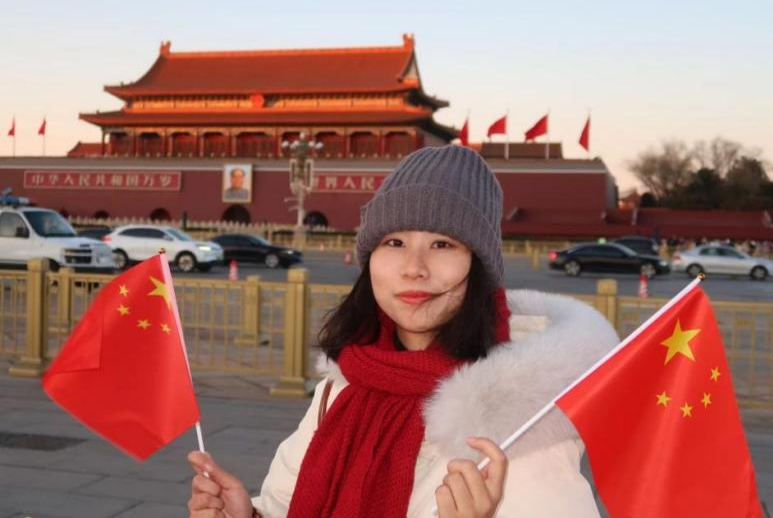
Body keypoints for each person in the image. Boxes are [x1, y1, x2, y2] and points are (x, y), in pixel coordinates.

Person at [188, 145, 619, 517]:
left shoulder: (519, 416)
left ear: (478, 266)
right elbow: (287, 502)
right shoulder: (345, 383)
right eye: (394, 243)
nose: (413, 268)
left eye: (442, 244)